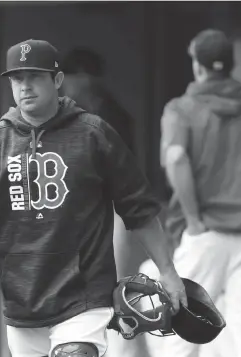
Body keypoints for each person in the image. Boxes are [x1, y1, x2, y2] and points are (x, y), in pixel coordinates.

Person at [0, 39, 187, 357]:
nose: (25, 86)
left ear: (57, 81)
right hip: (22, 301)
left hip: (83, 296)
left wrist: (167, 271)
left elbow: (138, 207)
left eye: (34, 76)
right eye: (18, 79)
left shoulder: (95, 134)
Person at [142, 29, 241, 357]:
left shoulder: (183, 109)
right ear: (231, 65)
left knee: (177, 327)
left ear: (197, 66)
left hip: (203, 234)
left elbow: (176, 157)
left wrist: (194, 219)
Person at [60, 47, 150, 357]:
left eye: (70, 77)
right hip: (88, 217)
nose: (65, 85)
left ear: (86, 78)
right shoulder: (77, 116)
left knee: (114, 291)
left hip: (112, 214)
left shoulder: (111, 118)